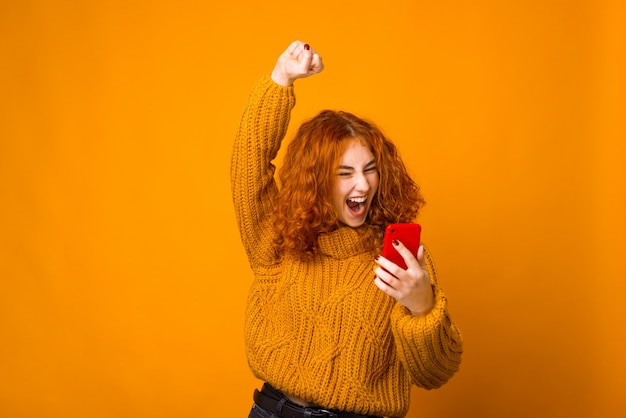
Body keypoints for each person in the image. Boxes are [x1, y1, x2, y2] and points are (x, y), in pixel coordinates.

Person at [231, 40, 463, 418]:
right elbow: (248, 165)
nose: (363, 185)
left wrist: (422, 305)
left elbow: (435, 372)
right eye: (345, 173)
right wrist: (280, 80)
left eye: (370, 169)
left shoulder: (400, 260)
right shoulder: (280, 240)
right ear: (316, 180)